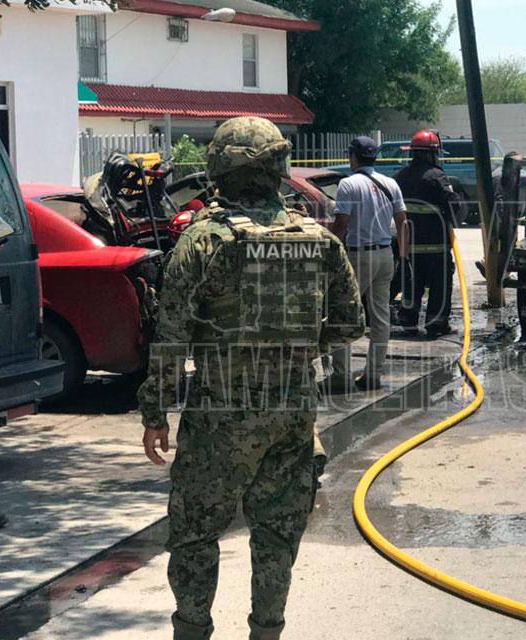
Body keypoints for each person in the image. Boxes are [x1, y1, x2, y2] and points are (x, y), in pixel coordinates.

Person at [139, 116, 363, 640]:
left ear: (221, 168)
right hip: (292, 410)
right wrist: (297, 352)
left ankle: (192, 631)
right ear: (279, 167)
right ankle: (267, 631)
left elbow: (171, 336)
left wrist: (156, 412)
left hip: (221, 410)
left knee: (195, 533)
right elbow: (350, 322)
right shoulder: (316, 239)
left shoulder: (204, 240)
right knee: (277, 535)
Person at [328, 136, 408, 392]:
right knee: (380, 317)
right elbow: (403, 222)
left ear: (353, 156)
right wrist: (403, 257)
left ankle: (341, 377)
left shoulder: (348, 184)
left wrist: (329, 252)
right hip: (385, 255)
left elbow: (341, 223)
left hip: (358, 256)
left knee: (344, 314)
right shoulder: (391, 183)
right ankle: (373, 375)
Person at [394, 130, 465, 338]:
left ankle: (408, 320)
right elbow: (452, 206)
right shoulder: (437, 177)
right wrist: (459, 201)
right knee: (440, 284)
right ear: (432, 153)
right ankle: (436, 324)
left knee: (412, 282)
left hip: (409, 245)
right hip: (436, 246)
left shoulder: (401, 176)